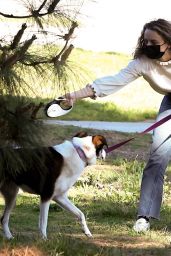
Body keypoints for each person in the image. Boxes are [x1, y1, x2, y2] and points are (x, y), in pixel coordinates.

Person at [63, 18, 171, 232]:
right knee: (157, 157)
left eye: (154, 42)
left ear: (168, 41)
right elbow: (113, 81)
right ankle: (144, 216)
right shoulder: (143, 62)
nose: (149, 46)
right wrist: (74, 96)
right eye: (146, 41)